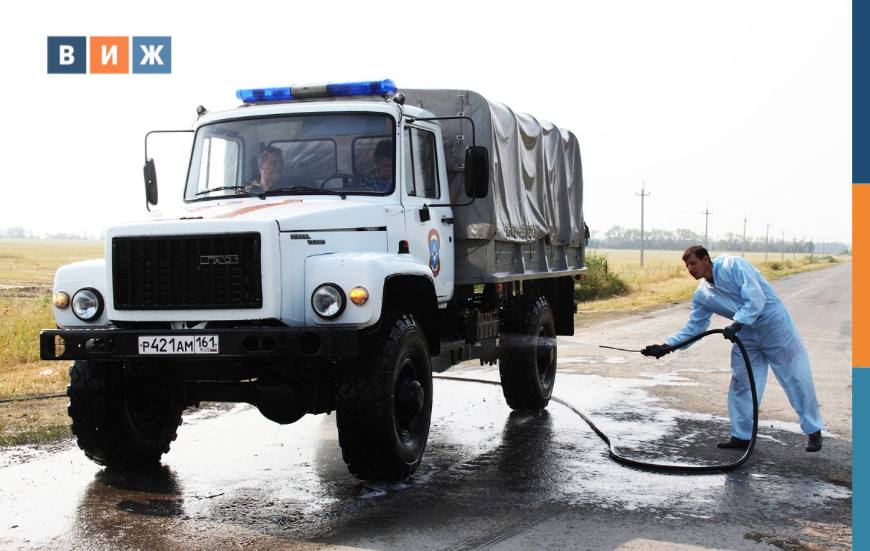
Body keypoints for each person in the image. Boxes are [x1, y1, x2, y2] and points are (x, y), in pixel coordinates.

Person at [641, 245, 824, 452]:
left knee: (796, 377)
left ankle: (813, 430)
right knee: (742, 383)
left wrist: (738, 323)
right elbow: (695, 327)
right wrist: (668, 346)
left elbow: (756, 298)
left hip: (773, 326)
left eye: (693, 263)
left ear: (706, 259)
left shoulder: (733, 265)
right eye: (687, 266)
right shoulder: (702, 295)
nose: (690, 269)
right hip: (744, 334)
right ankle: (741, 436)